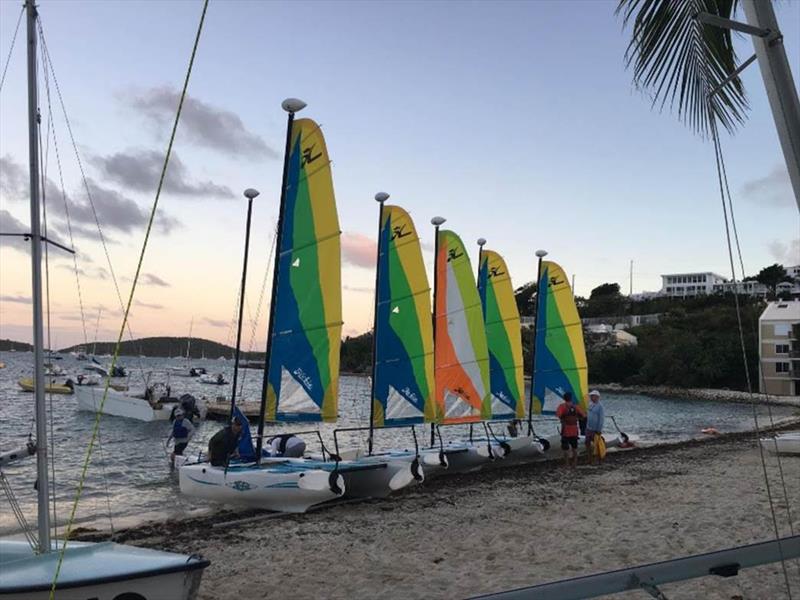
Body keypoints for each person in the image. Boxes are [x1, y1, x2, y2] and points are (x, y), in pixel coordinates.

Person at [555, 391, 585, 468]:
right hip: (574, 430)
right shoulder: (576, 406)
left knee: (565, 448)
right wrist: (578, 417)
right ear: (571, 398)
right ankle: (575, 463)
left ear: (564, 398)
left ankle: (567, 464)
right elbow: (583, 415)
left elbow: (558, 415)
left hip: (566, 431)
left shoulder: (561, 406)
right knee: (574, 448)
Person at [585, 390, 605, 465]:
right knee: (587, 443)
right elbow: (589, 415)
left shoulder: (600, 406)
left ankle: (599, 460)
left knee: (597, 445)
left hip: (595, 429)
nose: (591, 397)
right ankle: (589, 459)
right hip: (588, 428)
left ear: (597, 397)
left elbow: (601, 418)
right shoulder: (590, 404)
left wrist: (599, 429)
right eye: (591, 396)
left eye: (592, 396)